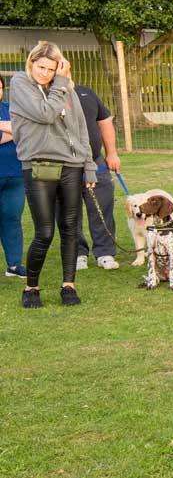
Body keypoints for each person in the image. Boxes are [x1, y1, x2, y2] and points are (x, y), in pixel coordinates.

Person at [9, 41, 97, 308]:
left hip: (71, 164)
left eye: (51, 69)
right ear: (31, 63)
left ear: (59, 67)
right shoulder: (20, 83)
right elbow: (45, 114)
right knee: (44, 232)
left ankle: (68, 286)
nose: (45, 73)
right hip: (38, 164)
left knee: (70, 228)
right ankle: (31, 288)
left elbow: (81, 129)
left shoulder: (65, 88)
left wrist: (89, 166)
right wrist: (60, 83)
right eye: (41, 67)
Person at [55, 74, 122, 271]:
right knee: (68, 211)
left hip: (95, 160)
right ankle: (77, 254)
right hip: (64, 164)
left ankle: (105, 253)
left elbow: (105, 122)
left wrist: (112, 153)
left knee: (103, 208)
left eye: (65, 69)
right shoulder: (47, 97)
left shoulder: (86, 93)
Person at [0, 75, 26, 278]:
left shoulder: (12, 108)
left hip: (16, 175)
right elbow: (16, 131)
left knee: (12, 218)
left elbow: (25, 130)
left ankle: (14, 265)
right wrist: (11, 129)